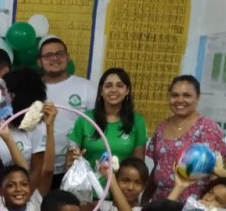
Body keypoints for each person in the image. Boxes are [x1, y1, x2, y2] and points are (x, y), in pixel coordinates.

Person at [145, 75, 226, 202]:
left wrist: (207, 207)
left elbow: (217, 174)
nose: (180, 100)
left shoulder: (208, 128)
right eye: (175, 95)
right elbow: (157, 167)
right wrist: (145, 198)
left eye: (187, 95)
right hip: (161, 203)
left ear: (198, 97)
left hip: (192, 207)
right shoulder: (161, 127)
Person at [37, 36, 93, 184]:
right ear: (39, 62)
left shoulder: (87, 88)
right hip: (37, 168)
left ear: (68, 57)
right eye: (48, 55)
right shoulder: (31, 88)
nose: (54, 59)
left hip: (73, 169)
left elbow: (97, 127)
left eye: (59, 54)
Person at [66, 67, 147, 168]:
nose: (114, 90)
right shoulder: (84, 119)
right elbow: (69, 163)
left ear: (127, 91)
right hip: (87, 183)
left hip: (120, 184)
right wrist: (72, 161)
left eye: (120, 86)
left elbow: (138, 166)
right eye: (108, 86)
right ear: (101, 91)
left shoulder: (138, 121)